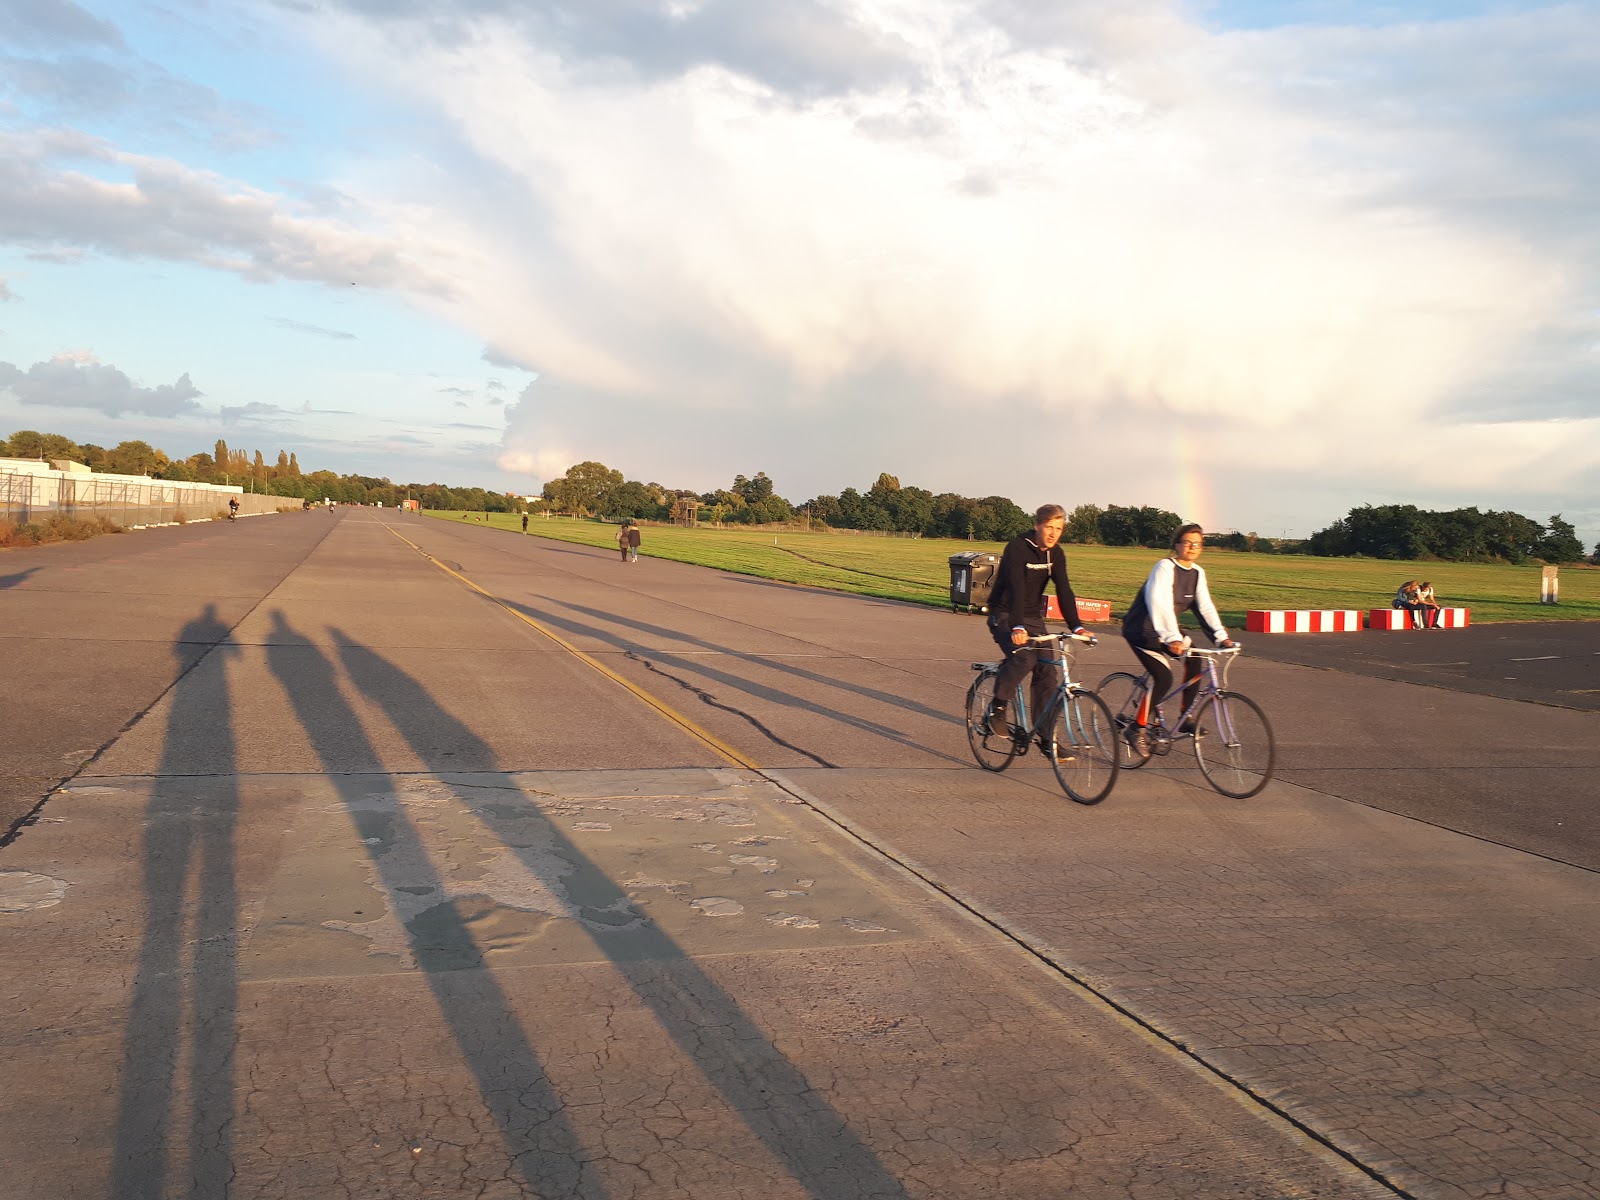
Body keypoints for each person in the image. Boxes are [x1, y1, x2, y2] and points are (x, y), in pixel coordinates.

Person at [1121, 524, 1235, 754]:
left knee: (1195, 659)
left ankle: (1185, 718)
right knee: (1163, 677)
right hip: (1142, 629)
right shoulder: (1164, 567)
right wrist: (1173, 638)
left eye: (1197, 544)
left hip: (1167, 631)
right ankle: (1137, 727)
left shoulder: (1197, 573)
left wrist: (1222, 638)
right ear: (1176, 545)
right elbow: (1159, 603)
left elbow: (1205, 607)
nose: (1192, 547)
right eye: (1187, 542)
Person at [979, 504, 1088, 745]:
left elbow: (1064, 590)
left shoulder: (1055, 554)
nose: (1053, 533)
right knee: (1025, 658)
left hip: (1032, 617)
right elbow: (1017, 588)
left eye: (1058, 529)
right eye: (1048, 527)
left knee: (1047, 670)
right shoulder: (1018, 547)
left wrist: (1077, 626)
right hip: (1005, 614)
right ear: (1037, 525)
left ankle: (1046, 735)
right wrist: (1017, 626)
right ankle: (997, 708)